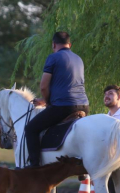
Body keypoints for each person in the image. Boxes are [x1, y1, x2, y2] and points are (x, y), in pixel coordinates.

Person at [24, 31, 89, 167]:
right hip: (84, 105)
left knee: (31, 129)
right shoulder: (78, 59)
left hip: (64, 107)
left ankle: (34, 166)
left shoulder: (53, 58)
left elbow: (43, 86)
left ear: (53, 44)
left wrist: (46, 102)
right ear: (70, 45)